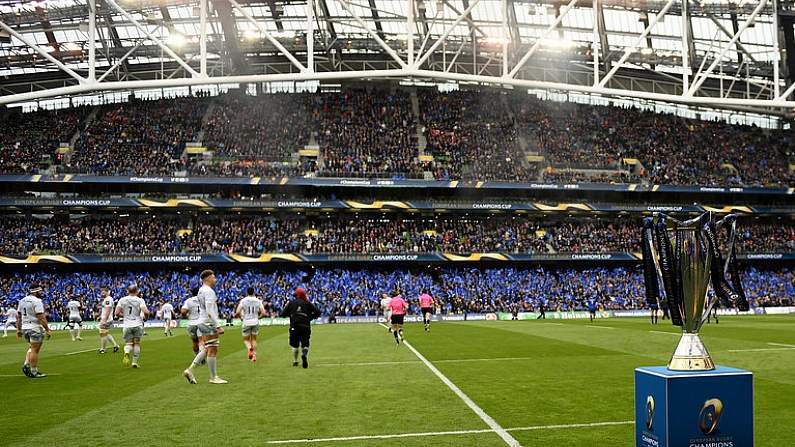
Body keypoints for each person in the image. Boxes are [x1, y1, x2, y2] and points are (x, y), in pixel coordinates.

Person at [183, 270, 227, 384]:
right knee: (213, 349)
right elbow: (209, 310)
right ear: (208, 279)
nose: (215, 279)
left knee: (207, 348)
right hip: (208, 323)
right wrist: (217, 326)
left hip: (201, 322)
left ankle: (190, 370)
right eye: (213, 277)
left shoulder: (201, 290)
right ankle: (213, 377)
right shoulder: (209, 292)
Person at [280, 287, 321, 368]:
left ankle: (295, 361)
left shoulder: (291, 303)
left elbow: (283, 314)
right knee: (305, 343)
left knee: (295, 345)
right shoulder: (307, 303)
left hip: (294, 326)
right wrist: (310, 317)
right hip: (305, 326)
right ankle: (304, 355)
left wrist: (292, 315)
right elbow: (318, 312)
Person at [18, 284, 51, 378]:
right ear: (35, 291)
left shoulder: (22, 300)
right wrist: (47, 330)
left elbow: (19, 316)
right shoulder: (37, 301)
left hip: (25, 327)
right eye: (40, 291)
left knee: (31, 347)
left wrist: (19, 329)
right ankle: (33, 371)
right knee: (35, 350)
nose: (42, 293)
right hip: (35, 327)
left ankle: (26, 364)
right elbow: (41, 317)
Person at [115, 284, 149, 369]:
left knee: (129, 343)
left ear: (128, 291)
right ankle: (134, 362)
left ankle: (127, 352)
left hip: (127, 325)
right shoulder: (140, 300)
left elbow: (116, 313)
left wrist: (124, 316)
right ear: (137, 291)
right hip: (137, 324)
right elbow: (146, 311)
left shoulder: (122, 300)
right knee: (136, 343)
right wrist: (146, 318)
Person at [234, 287, 266, 362]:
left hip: (246, 321)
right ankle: (254, 356)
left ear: (247, 292)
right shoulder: (258, 301)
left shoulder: (243, 301)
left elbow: (238, 311)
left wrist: (241, 317)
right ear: (254, 292)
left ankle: (249, 348)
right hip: (255, 321)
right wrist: (258, 317)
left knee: (246, 340)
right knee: (254, 340)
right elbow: (263, 313)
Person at [181, 287, 204, 362]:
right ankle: (201, 357)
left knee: (194, 341)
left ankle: (196, 356)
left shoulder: (188, 301)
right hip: (201, 322)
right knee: (201, 340)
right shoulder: (203, 300)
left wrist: (187, 317)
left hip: (192, 323)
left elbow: (183, 311)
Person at [97, 286, 120, 354]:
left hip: (106, 319)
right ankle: (115, 345)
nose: (102, 293)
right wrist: (100, 316)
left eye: (103, 292)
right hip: (106, 318)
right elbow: (105, 310)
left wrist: (105, 320)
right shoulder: (107, 299)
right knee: (105, 333)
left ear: (107, 292)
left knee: (102, 334)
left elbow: (108, 310)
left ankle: (103, 349)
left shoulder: (108, 299)